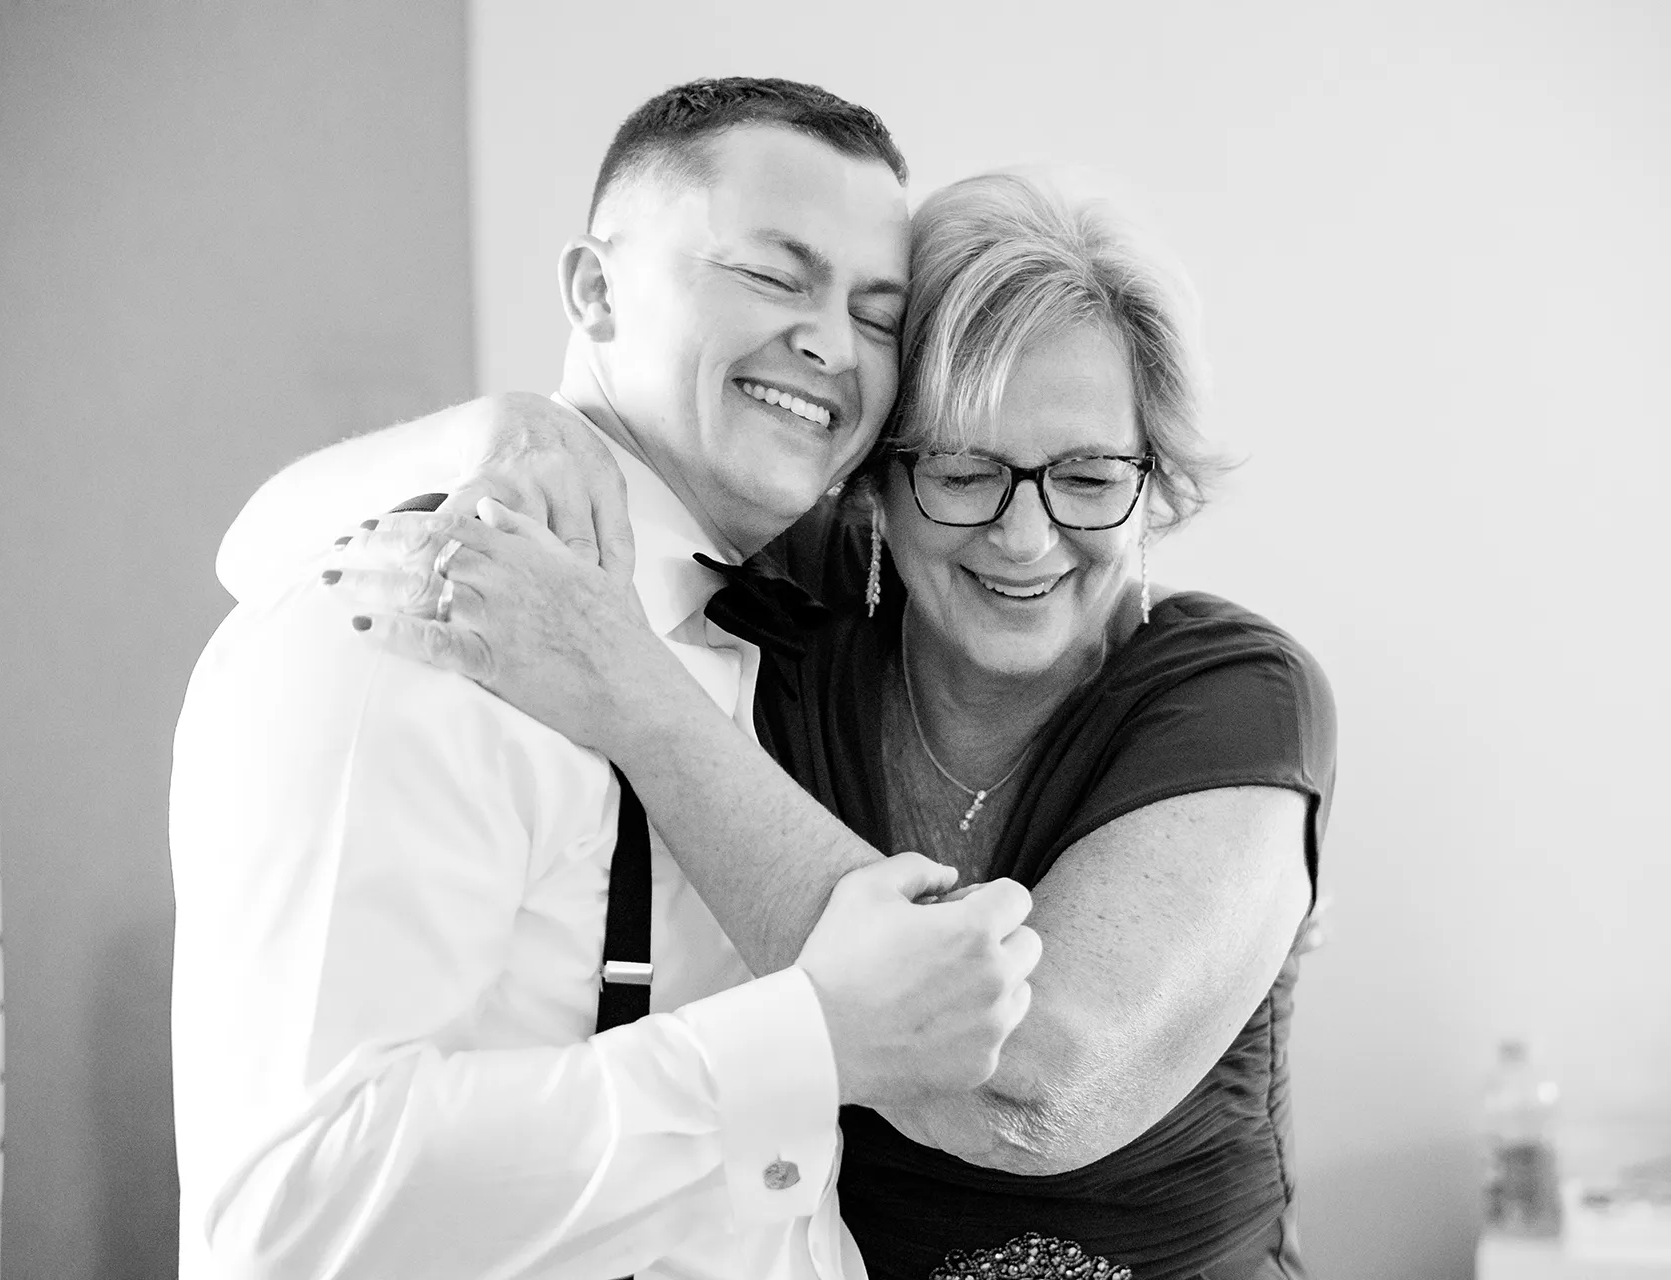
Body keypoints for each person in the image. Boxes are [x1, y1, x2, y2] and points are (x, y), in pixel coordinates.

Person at [234, 171, 1337, 1279]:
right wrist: (495, 429)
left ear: (1156, 482)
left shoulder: (1237, 693)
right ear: (875, 488)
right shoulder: (801, 617)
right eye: (964, 471)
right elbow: (253, 548)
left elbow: (1028, 1089)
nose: (1024, 534)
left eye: (1089, 476)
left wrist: (629, 691)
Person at [169, 78, 1046, 1280]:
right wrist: (811, 1040)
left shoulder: (794, 616)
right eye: (774, 276)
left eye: (878, 314)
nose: (833, 345)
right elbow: (296, 1211)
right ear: (594, 289)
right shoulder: (412, 618)